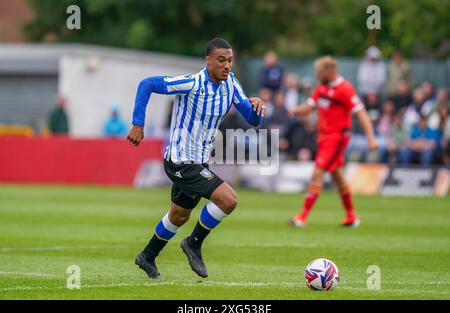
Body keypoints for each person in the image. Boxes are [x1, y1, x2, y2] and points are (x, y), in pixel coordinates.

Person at [127, 38, 265, 279]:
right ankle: (193, 243)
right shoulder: (191, 83)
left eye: (230, 60)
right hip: (180, 161)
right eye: (221, 60)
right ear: (208, 60)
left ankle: (147, 256)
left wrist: (256, 107)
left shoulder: (231, 84)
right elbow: (146, 84)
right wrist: (138, 123)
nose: (227, 65)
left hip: (199, 161)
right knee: (228, 200)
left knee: (179, 215)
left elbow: (253, 121)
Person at [287, 56, 377, 228]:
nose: (317, 75)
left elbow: (362, 113)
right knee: (338, 176)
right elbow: (310, 106)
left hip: (337, 138)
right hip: (324, 137)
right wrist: (297, 111)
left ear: (330, 71)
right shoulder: (321, 87)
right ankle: (351, 217)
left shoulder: (345, 89)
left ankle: (302, 217)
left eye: (319, 72)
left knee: (318, 172)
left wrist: (371, 139)